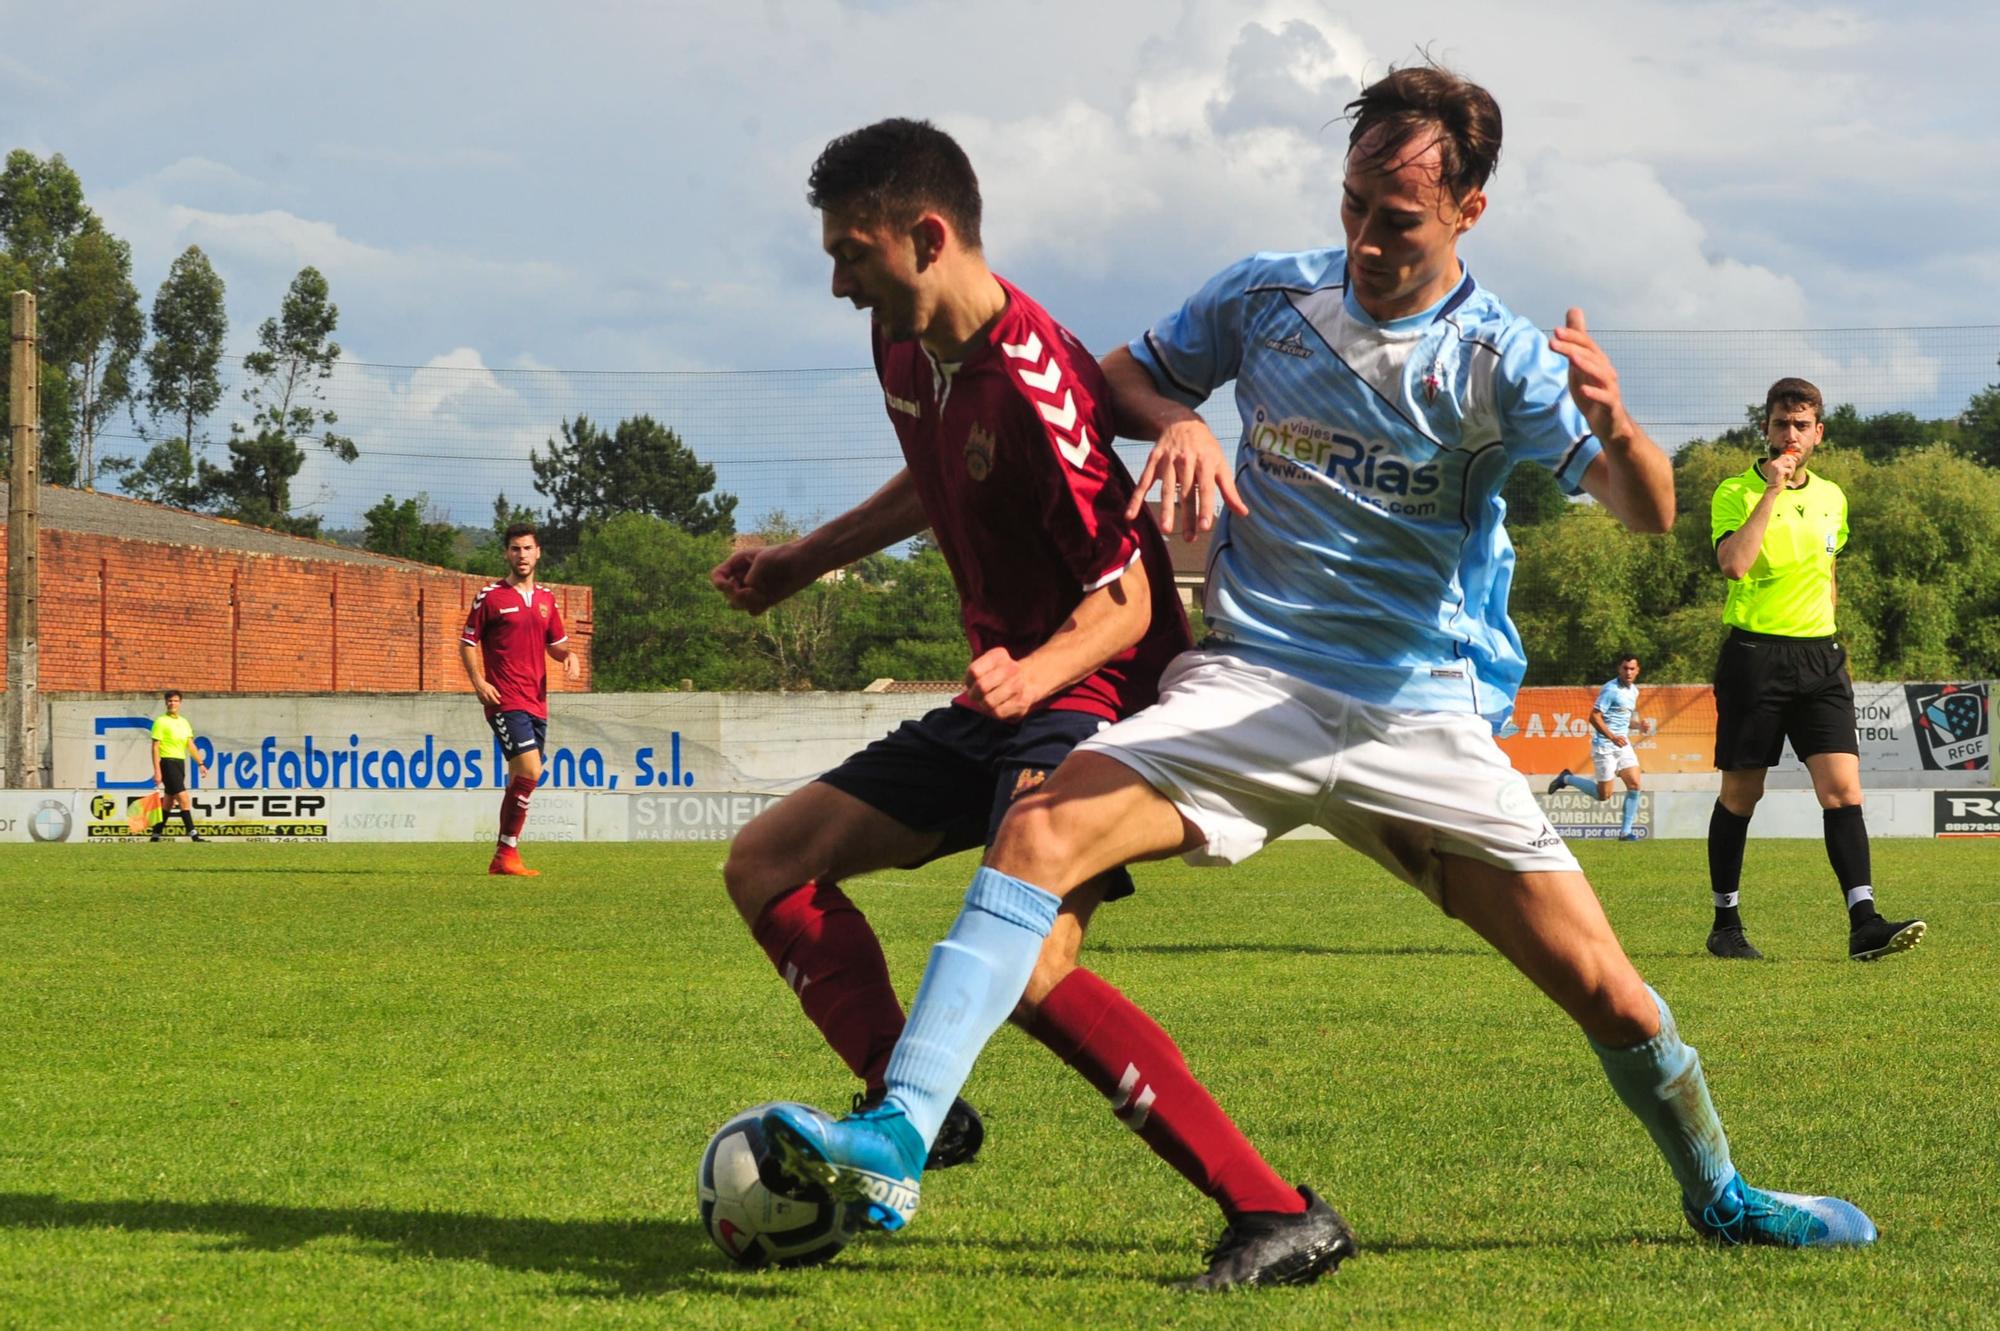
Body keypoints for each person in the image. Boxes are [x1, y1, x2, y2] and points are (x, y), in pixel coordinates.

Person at [758, 65, 1879, 1268]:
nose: (1361, 237)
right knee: (1035, 833)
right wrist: (1180, 417)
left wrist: (1615, 426)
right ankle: (897, 1129)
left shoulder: (1497, 357)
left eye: (1393, 218)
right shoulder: (1266, 296)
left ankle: (1718, 1190)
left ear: (1466, 212)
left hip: (1419, 717)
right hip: (1250, 687)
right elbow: (1116, 381)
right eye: (1350, 202)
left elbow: (1646, 513)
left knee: (1605, 988)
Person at [713, 118, 1349, 1290]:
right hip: (1005, 691)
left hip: (1091, 691)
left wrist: (1029, 672)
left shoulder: (1040, 375)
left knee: (1033, 967)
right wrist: (805, 558)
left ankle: (1272, 1209)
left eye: (851, 253)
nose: (837, 279)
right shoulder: (903, 347)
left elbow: (1124, 600)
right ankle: (910, 1105)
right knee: (766, 863)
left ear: (928, 234)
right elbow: (937, 470)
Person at [1704, 378, 1926, 962]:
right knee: (1742, 794)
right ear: (1766, 428)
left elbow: (1828, 570)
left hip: (1821, 658)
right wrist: (1771, 493)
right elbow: (1734, 564)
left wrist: (1827, 635)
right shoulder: (1735, 491)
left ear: (1818, 432)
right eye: (1781, 424)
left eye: (1802, 425)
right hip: (1755, 657)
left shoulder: (1833, 496)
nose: (1791, 435)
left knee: (1843, 790)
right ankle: (1726, 924)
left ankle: (1865, 923)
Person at [460, 522, 579, 877]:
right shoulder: (490, 596)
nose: (521, 555)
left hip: (536, 701)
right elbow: (467, 642)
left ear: (538, 552)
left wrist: (568, 656)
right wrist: (478, 681)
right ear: (506, 553)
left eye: (527, 548)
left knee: (520, 778)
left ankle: (503, 856)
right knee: (531, 769)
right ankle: (507, 854)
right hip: (504, 699)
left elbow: (556, 644)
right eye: (515, 549)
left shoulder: (546, 599)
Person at [1548, 653, 1645, 840]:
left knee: (1634, 784)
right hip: (1605, 746)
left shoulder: (1634, 691)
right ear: (1619, 669)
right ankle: (1566, 778)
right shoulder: (1611, 689)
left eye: (1632, 669)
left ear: (1638, 670)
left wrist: (1638, 726)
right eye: (1625, 668)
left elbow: (1622, 721)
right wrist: (1612, 737)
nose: (1628, 672)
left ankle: (1625, 832)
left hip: (1622, 745)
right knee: (1603, 795)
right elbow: (1594, 717)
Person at [149, 689, 208, 842]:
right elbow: (155, 747)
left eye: (175, 700)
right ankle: (193, 834)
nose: (172, 703)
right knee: (183, 798)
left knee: (168, 802)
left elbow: (190, 745)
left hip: (180, 763)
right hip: (168, 762)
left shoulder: (184, 722)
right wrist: (157, 771)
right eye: (170, 700)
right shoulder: (161, 721)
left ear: (180, 703)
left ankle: (155, 835)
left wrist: (200, 763)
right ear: (166, 703)